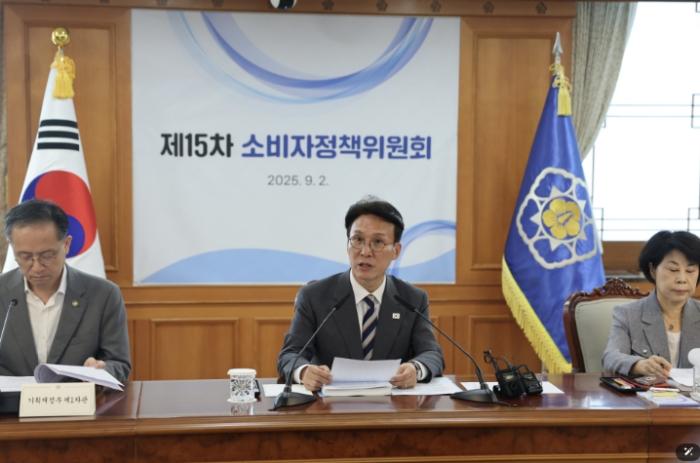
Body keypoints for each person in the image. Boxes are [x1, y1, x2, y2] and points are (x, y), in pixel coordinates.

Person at [277, 197, 444, 391]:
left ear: (396, 251)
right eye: (357, 240)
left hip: (393, 405)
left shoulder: (412, 299)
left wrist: (416, 369)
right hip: (327, 405)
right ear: (348, 244)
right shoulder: (314, 296)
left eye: (378, 242)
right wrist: (304, 371)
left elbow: (432, 354)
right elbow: (290, 355)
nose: (365, 252)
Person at [0, 199, 131, 383]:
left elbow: (119, 363)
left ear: (66, 244)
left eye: (47, 255)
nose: (37, 267)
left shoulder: (104, 295)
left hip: (77, 400)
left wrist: (102, 370)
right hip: (11, 402)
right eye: (25, 256)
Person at [602, 230, 700, 378]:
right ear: (653, 270)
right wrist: (638, 365)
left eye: (690, 270)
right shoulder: (628, 314)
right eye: (673, 269)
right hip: (648, 392)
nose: (682, 279)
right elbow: (611, 356)